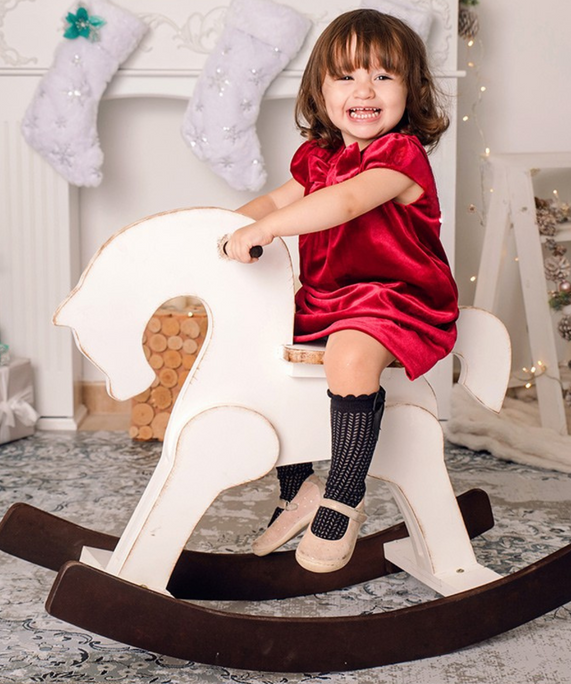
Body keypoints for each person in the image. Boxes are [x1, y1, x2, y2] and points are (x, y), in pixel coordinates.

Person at [225, 8, 458, 574]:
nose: (364, 89)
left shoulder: (400, 157)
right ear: (320, 90)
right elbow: (275, 201)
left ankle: (344, 495)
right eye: (347, 75)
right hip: (327, 298)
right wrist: (227, 227)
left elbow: (347, 202)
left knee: (351, 353)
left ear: (411, 90)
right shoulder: (318, 158)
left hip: (396, 297)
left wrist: (269, 230)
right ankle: (297, 487)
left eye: (383, 76)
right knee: (263, 346)